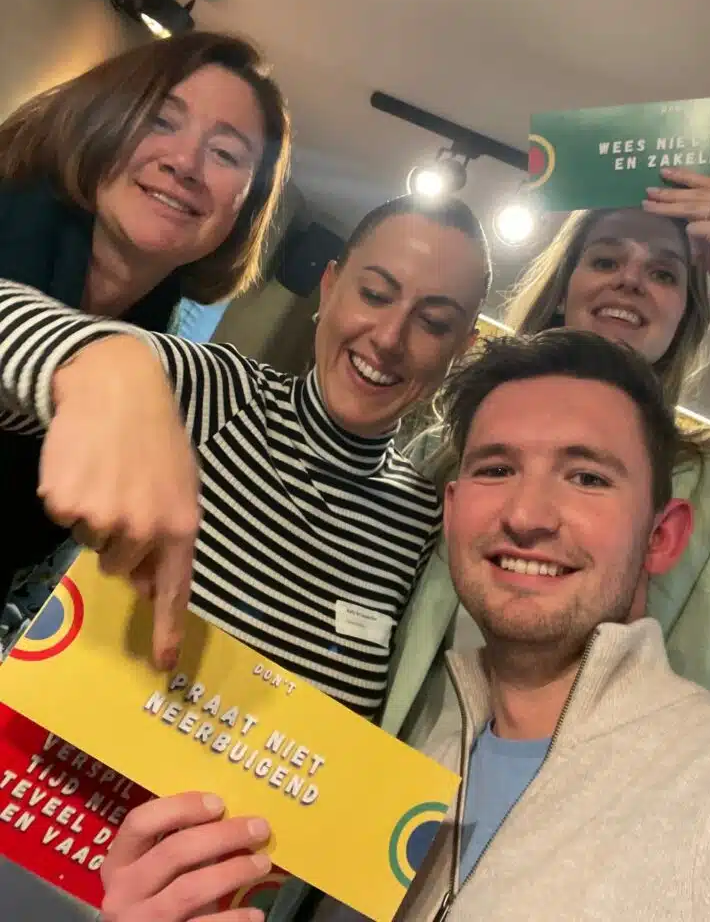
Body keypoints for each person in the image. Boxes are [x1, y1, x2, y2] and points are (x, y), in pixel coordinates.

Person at [96, 332, 710, 922]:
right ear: (450, 512)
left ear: (661, 536)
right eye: (497, 469)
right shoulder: (402, 778)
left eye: (587, 477)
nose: (527, 515)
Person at [0, 195, 490, 704]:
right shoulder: (214, 394)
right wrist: (103, 365)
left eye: (434, 323)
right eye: (374, 294)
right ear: (329, 287)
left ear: (461, 350)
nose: (389, 338)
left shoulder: (423, 523)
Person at [402, 168, 710, 742]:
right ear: (563, 288)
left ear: (685, 317)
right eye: (605, 260)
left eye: (663, 273)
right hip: (410, 776)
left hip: (619, 790)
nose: (629, 280)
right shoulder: (443, 453)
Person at [0, 29, 291, 627]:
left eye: (226, 154)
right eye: (161, 121)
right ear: (104, 120)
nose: (184, 164)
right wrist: (93, 361)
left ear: (243, 207)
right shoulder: (13, 206)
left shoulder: (157, 331)